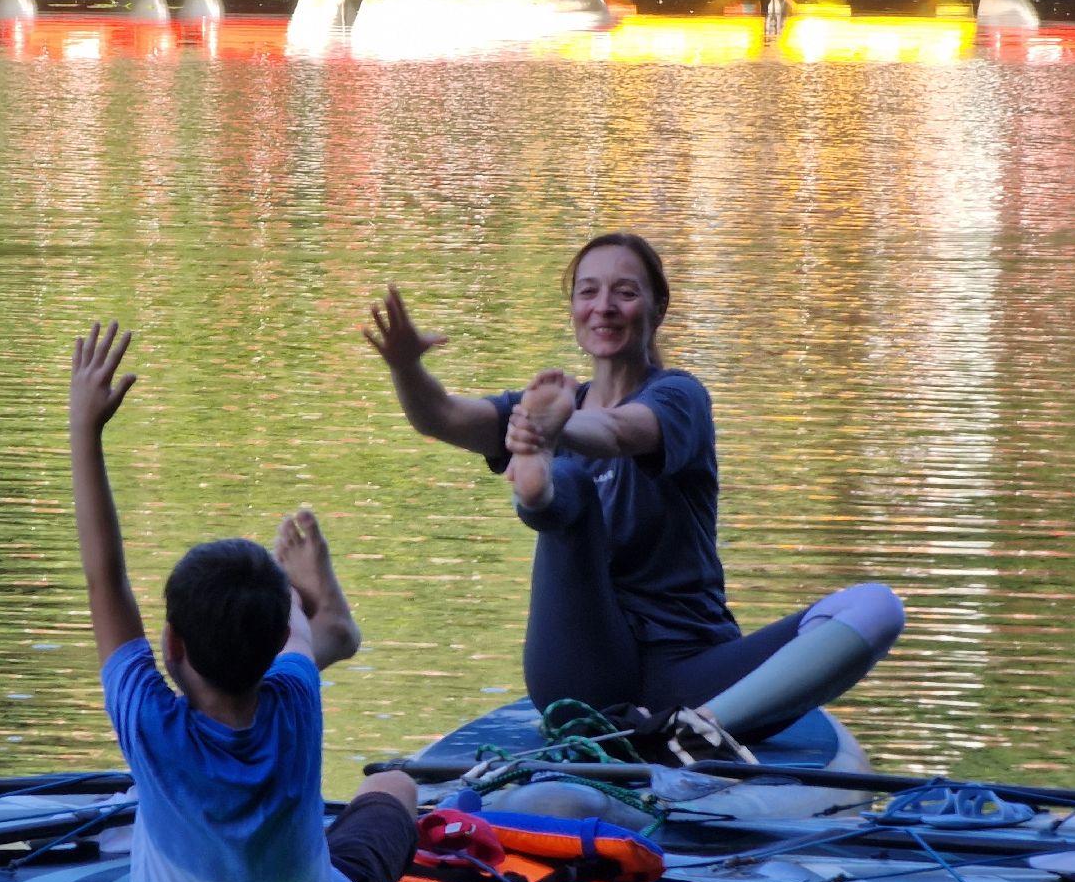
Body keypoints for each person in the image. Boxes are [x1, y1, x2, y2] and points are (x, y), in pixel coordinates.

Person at [363, 233, 905, 742]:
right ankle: (536, 494)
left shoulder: (678, 397)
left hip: (694, 673)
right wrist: (406, 367)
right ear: (573, 309)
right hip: (583, 673)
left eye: (625, 293)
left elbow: (620, 431)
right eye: (588, 291)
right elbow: (440, 417)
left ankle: (698, 733)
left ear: (657, 310)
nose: (604, 306)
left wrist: (553, 430)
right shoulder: (544, 407)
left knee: (876, 607)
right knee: (566, 479)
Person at [69, 320, 418, 882]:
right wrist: (286, 599)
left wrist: (85, 429)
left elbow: (102, 575)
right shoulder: (295, 698)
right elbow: (275, 649)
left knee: (311, 653)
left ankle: (328, 624)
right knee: (394, 786)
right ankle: (325, 618)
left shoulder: (148, 723)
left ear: (170, 646)